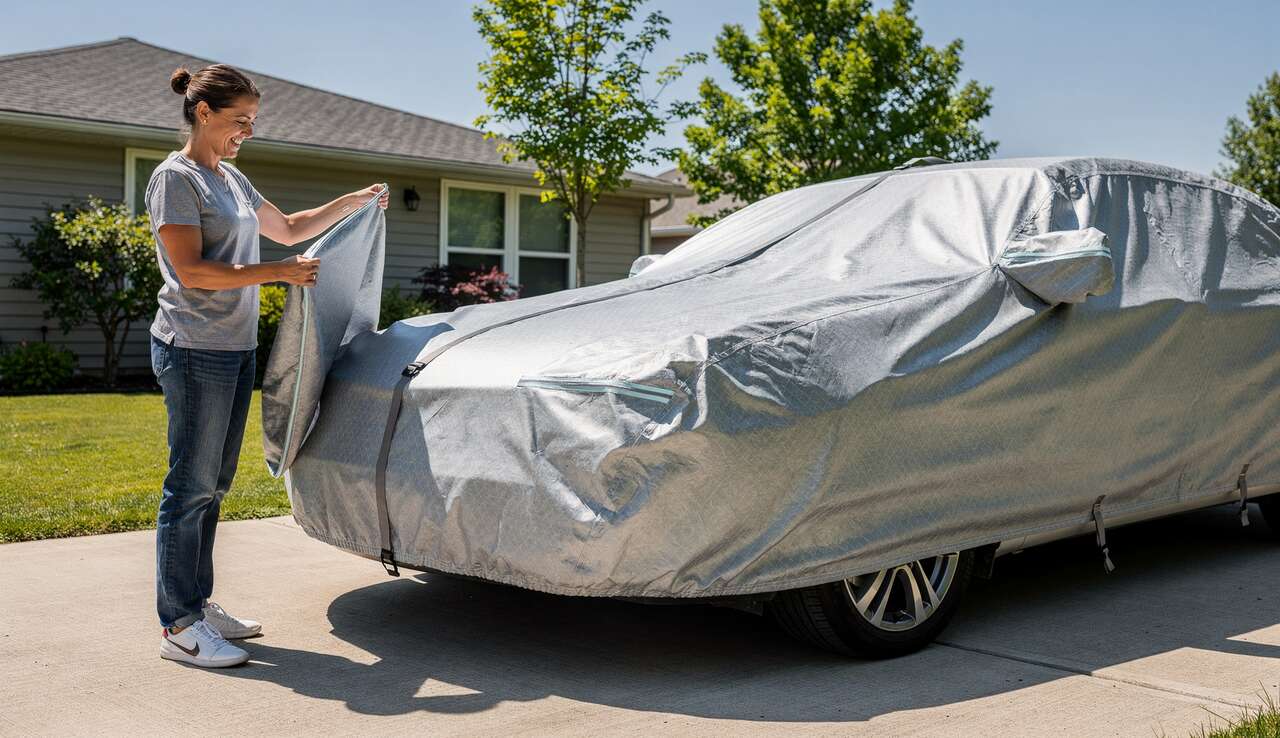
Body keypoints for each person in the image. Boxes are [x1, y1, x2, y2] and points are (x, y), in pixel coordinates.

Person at [146, 63, 389, 668]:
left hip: (233, 347)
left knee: (214, 485)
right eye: (240, 120)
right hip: (192, 346)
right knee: (190, 485)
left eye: (253, 122)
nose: (247, 132)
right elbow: (191, 271)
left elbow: (288, 228)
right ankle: (179, 625)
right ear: (204, 113)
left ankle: (197, 606)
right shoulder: (177, 179)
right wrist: (279, 273)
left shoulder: (230, 178)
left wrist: (352, 203)